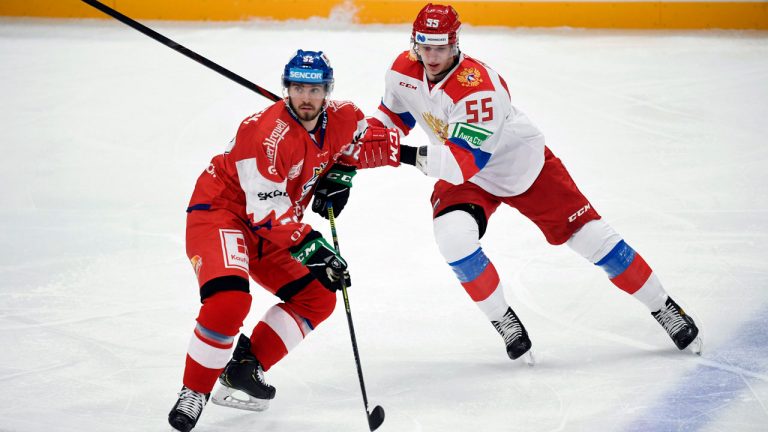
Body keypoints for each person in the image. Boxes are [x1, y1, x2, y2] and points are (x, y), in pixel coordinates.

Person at [352, 3, 702, 364]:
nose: (431, 56)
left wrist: (400, 154)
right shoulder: (403, 70)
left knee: (592, 239)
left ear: (455, 44)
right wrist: (354, 148)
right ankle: (503, 320)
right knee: (453, 238)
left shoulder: (478, 89)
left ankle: (663, 307)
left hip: (520, 166)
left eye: (440, 48)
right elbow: (392, 118)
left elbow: (463, 163)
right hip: (466, 173)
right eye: (425, 47)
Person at [167, 49, 367, 432]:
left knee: (317, 297)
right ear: (286, 89)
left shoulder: (345, 117)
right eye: (297, 88)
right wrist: (315, 250)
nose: (305, 97)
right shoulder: (263, 134)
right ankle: (194, 390)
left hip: (271, 226)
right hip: (224, 213)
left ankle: (244, 367)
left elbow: (367, 142)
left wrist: (342, 172)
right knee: (229, 301)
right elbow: (267, 214)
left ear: (328, 91)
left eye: (314, 89)